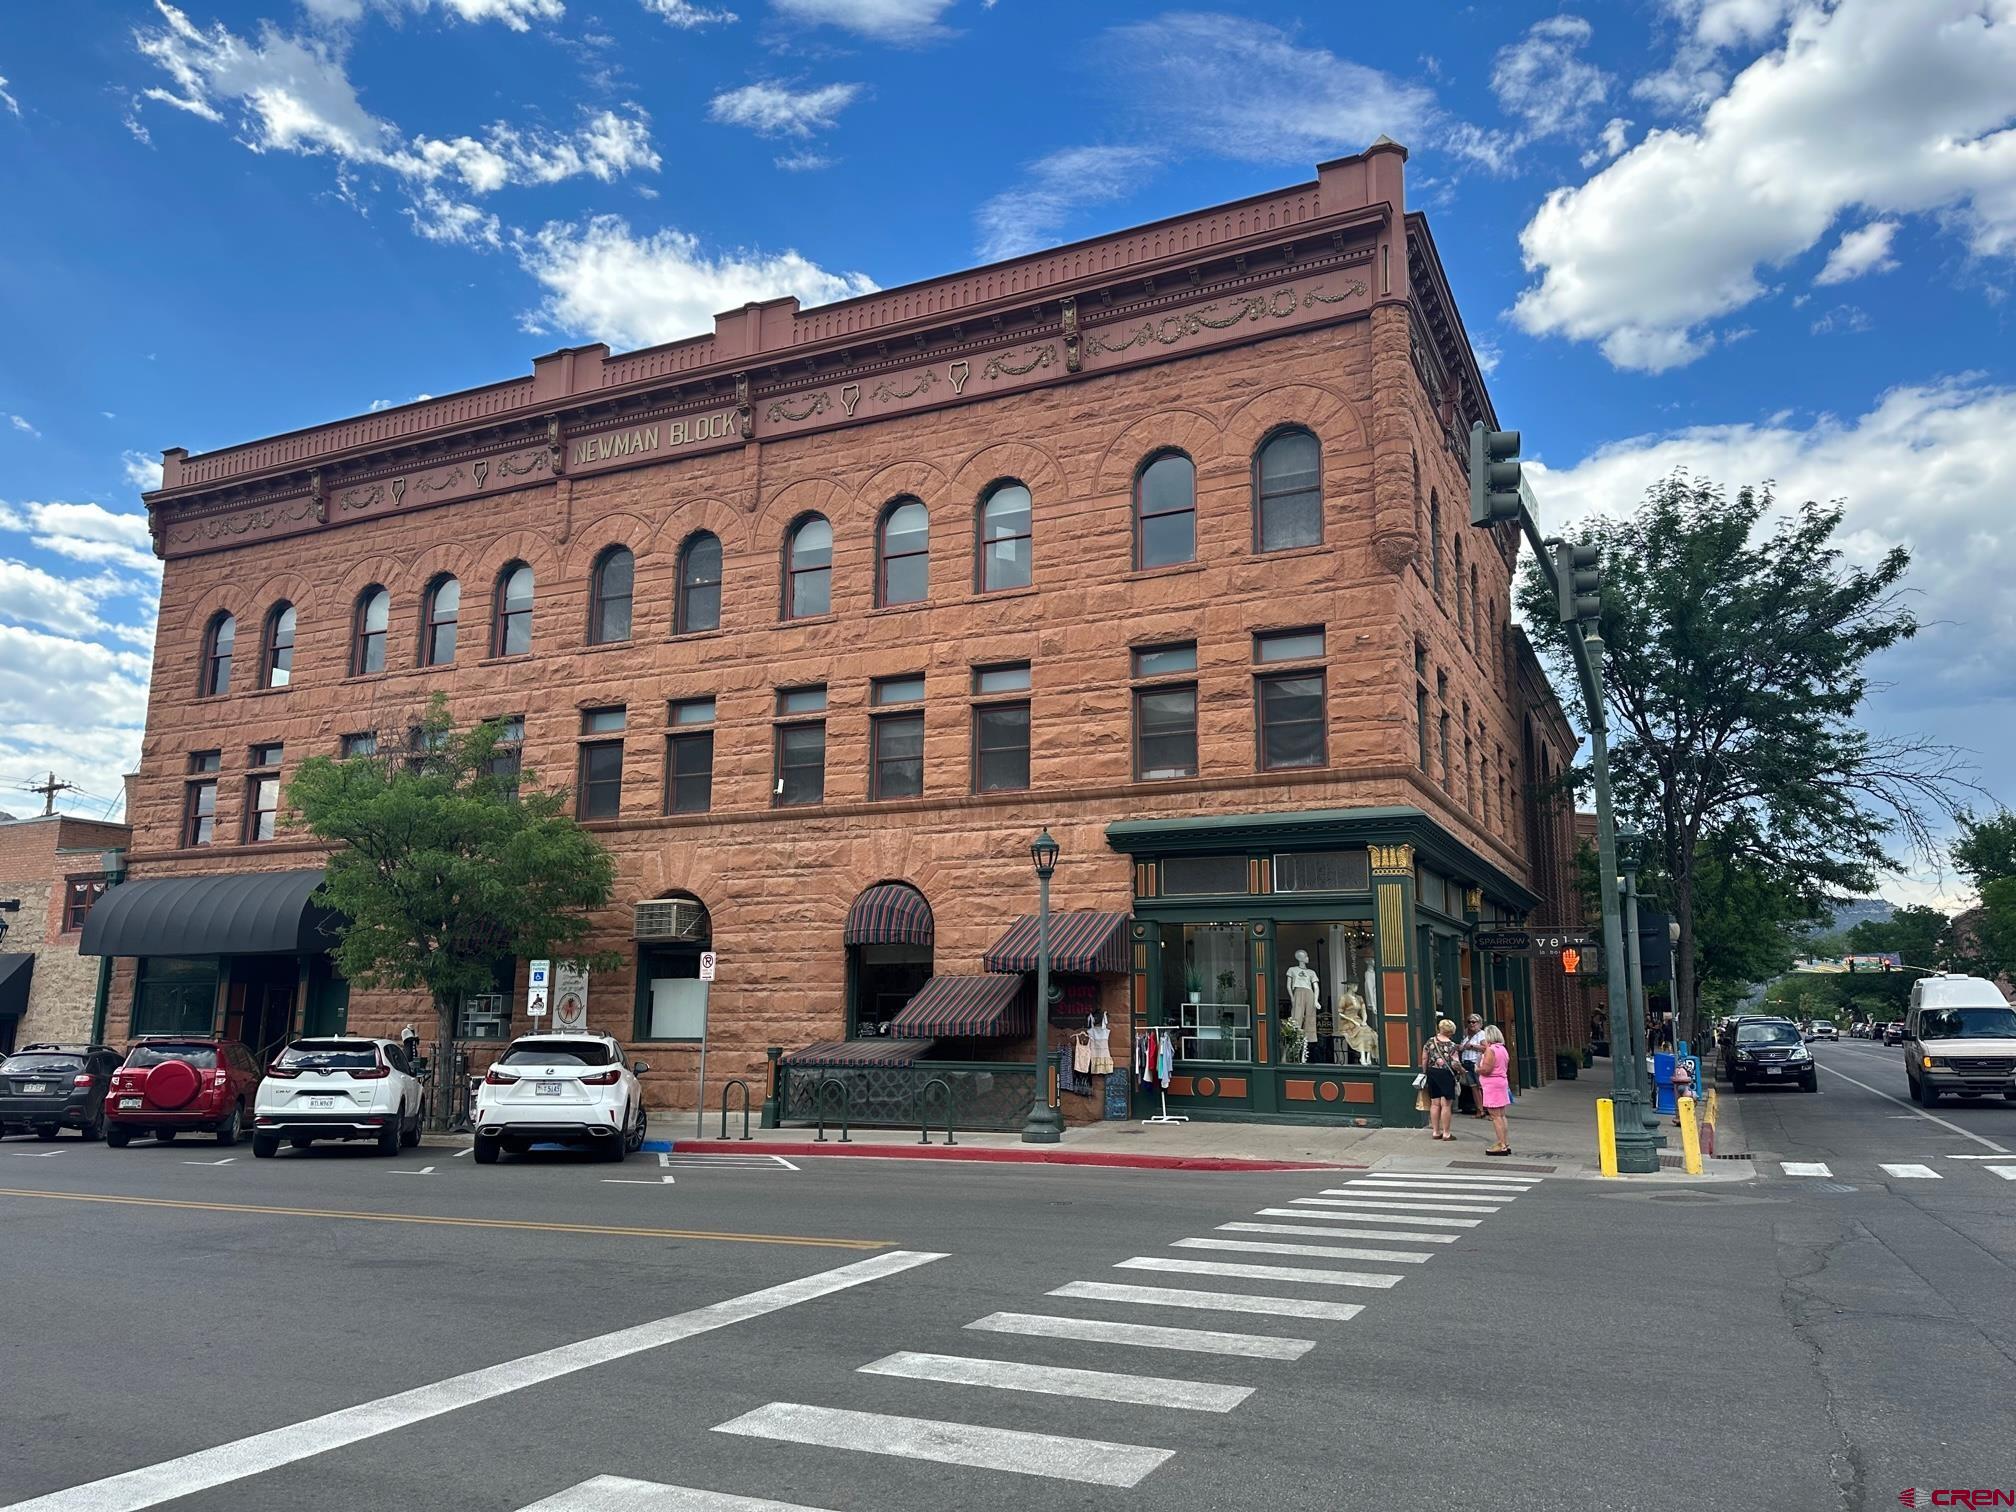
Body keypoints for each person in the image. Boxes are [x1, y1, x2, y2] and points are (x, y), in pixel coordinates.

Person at [1420, 1018, 1463, 1141]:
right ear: (1450, 1032)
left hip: (1432, 1073)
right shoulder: (1452, 1045)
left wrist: (1425, 1072)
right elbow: (1455, 1063)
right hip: (1446, 1075)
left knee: (1434, 1103)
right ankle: (1446, 1133)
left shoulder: (1430, 1042)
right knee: (1446, 1105)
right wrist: (1462, 1071)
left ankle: (1435, 1131)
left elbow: (1424, 1058)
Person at [1477, 1024, 1514, 1155]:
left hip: (1492, 1085)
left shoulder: (1491, 1050)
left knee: (1495, 1115)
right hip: (1501, 1082)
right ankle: (1506, 1142)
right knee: (1502, 1115)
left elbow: (1486, 1070)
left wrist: (1477, 1069)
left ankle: (1501, 1144)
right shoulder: (1502, 1049)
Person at [1459, 1014, 1487, 1118]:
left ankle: (1488, 1109)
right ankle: (1479, 1110)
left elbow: (1486, 1048)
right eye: (1469, 1022)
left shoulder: (1482, 1034)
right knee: (1473, 1088)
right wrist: (1460, 1047)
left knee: (1481, 1087)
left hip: (1476, 1063)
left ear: (1480, 1023)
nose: (1471, 1024)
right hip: (1467, 1063)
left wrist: (1472, 1046)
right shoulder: (1467, 1036)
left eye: (1474, 1022)